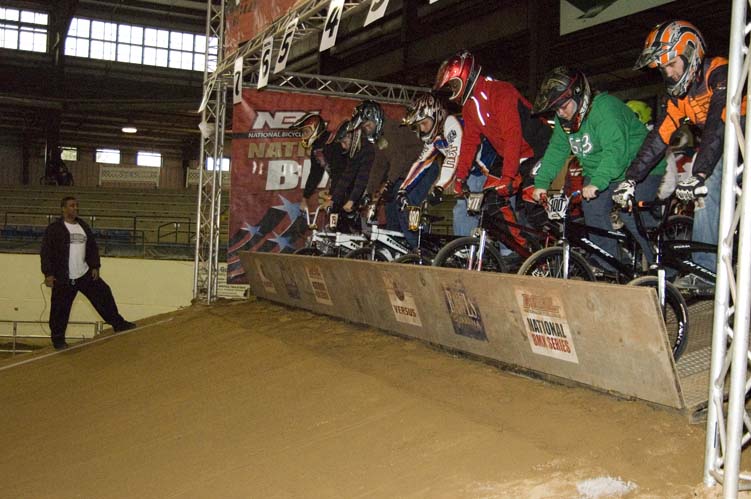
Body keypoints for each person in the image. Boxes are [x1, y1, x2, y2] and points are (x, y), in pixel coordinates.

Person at [612, 20, 743, 290]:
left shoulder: (720, 72)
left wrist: (700, 172)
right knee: (706, 191)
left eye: (672, 64)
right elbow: (658, 138)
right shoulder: (679, 98)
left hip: (739, 138)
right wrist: (631, 179)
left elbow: (718, 124)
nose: (669, 73)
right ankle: (707, 271)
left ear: (691, 54)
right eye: (664, 69)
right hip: (726, 146)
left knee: (706, 179)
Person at [531, 66, 665, 269]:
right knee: (593, 211)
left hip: (640, 169)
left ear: (579, 95)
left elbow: (615, 151)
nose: (560, 113)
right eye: (556, 109)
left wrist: (597, 183)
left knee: (631, 215)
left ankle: (666, 268)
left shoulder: (605, 108)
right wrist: (541, 183)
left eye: (563, 106)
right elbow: (556, 150)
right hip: (601, 172)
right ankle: (612, 266)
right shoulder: (564, 120)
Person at [434, 49, 551, 248]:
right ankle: (522, 250)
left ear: (465, 76)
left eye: (453, 84)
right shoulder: (470, 106)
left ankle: (558, 246)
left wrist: (508, 176)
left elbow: (512, 135)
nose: (452, 90)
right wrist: (460, 177)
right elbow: (469, 143)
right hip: (512, 154)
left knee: (532, 200)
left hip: (538, 148)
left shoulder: (501, 91)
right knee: (492, 202)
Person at [41, 196, 136, 350]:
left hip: (84, 274)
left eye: (76, 205)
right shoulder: (54, 229)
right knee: (59, 310)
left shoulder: (83, 226)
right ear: (63, 209)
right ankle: (58, 340)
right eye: (72, 205)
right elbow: (46, 252)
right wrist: (48, 274)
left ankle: (118, 324)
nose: (75, 208)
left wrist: (95, 266)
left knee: (104, 294)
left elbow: (92, 248)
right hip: (63, 278)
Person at [290, 112, 346, 212]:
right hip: (342, 187)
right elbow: (315, 175)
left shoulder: (332, 141)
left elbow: (339, 171)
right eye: (303, 133)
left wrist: (332, 196)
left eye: (306, 132)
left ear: (315, 129)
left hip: (354, 185)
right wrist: (305, 198)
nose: (303, 136)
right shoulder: (316, 148)